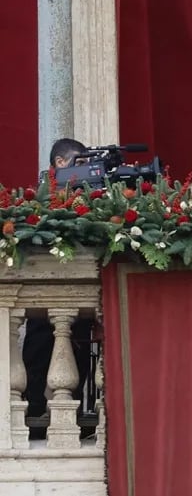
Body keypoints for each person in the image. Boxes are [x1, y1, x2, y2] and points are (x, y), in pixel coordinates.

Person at [23, 138, 95, 424]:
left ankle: (73, 417)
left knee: (78, 358)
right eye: (80, 163)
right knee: (37, 358)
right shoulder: (38, 196)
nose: (86, 170)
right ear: (60, 163)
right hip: (44, 290)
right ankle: (33, 413)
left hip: (83, 290)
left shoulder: (89, 196)